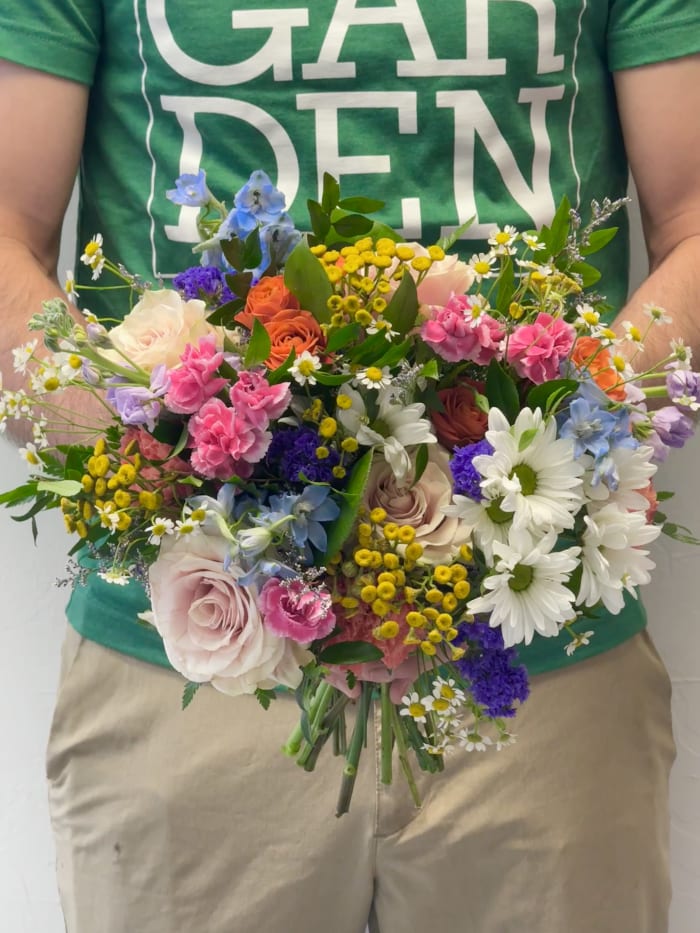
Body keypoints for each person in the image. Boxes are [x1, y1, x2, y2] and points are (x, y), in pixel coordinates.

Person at [0, 3, 699, 931]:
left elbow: (690, 221)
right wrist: (180, 478)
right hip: (190, 657)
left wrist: (546, 471)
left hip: (540, 661)